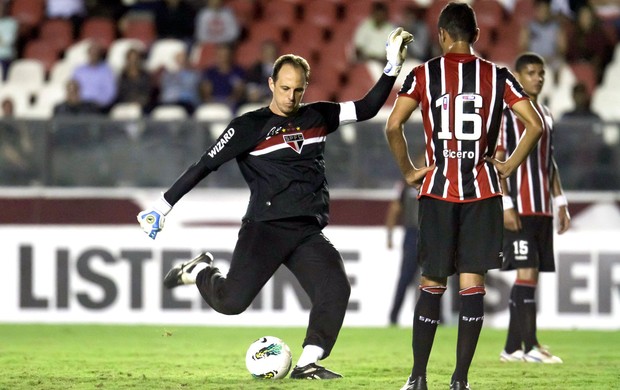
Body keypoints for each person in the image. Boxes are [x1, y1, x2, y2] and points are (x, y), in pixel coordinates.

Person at [138, 28, 414, 380]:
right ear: (271, 84)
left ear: (306, 87)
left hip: (305, 230)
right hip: (264, 228)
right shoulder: (248, 127)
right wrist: (162, 206)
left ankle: (307, 363)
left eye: (298, 89)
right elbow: (204, 165)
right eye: (285, 88)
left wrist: (392, 67)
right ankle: (200, 271)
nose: (291, 96)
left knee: (336, 289)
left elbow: (367, 108)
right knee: (230, 303)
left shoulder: (319, 116)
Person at [384, 3, 543, 390]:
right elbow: (534, 125)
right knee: (472, 285)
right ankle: (460, 381)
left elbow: (392, 126)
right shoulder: (498, 76)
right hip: (482, 193)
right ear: (476, 35)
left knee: (432, 284)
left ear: (440, 35)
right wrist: (507, 167)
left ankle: (418, 378)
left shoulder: (424, 74)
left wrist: (408, 172)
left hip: (438, 192)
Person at [497, 52, 570, 364]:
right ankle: (530, 347)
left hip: (542, 209)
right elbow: (497, 161)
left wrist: (561, 201)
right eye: (531, 72)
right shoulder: (506, 116)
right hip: (521, 207)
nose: (538, 78)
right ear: (517, 76)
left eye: (541, 73)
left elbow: (548, 162)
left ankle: (512, 348)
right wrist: (506, 203)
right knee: (526, 273)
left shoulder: (546, 114)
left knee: (530, 277)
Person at [386, 179, 420, 326]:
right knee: (408, 277)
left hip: (430, 233)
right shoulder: (406, 184)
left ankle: (437, 317)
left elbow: (395, 208)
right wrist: (389, 234)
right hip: (413, 233)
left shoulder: (408, 183)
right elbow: (395, 208)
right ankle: (394, 316)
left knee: (434, 278)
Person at [519, 0, 566, 79]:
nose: (543, 12)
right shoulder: (529, 26)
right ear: (536, 10)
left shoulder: (556, 27)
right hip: (533, 60)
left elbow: (562, 47)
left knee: (561, 66)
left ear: (549, 10)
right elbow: (522, 45)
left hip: (551, 60)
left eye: (545, 9)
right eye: (540, 9)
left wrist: (551, 58)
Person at [71, 41, 117, 112]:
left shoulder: (106, 71)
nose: (93, 55)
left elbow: (110, 93)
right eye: (91, 52)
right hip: (79, 104)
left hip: (97, 106)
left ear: (99, 54)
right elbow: (72, 88)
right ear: (87, 53)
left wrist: (98, 103)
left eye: (95, 53)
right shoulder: (79, 70)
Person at [200, 43, 247, 111]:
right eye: (220, 55)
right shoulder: (210, 72)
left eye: (225, 55)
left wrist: (230, 100)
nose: (223, 58)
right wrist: (212, 102)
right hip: (213, 102)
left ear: (230, 55)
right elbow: (206, 92)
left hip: (231, 103)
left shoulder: (238, 71)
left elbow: (239, 90)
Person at [157, 48, 201, 114]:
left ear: (187, 59)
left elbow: (190, 87)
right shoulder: (167, 75)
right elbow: (165, 90)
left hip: (187, 104)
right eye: (178, 58)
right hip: (169, 103)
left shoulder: (194, 75)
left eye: (183, 58)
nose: (181, 60)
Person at [116, 47, 155, 113]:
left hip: (142, 105)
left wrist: (139, 102)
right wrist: (129, 102)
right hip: (125, 104)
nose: (133, 61)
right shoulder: (123, 75)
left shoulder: (145, 75)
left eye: (135, 58)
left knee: (135, 111)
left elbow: (147, 92)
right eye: (130, 58)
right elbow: (121, 91)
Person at [245, 40, 279, 104]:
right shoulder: (254, 70)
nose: (269, 56)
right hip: (258, 105)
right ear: (262, 54)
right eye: (266, 53)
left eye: (272, 53)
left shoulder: (283, 70)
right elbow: (252, 96)